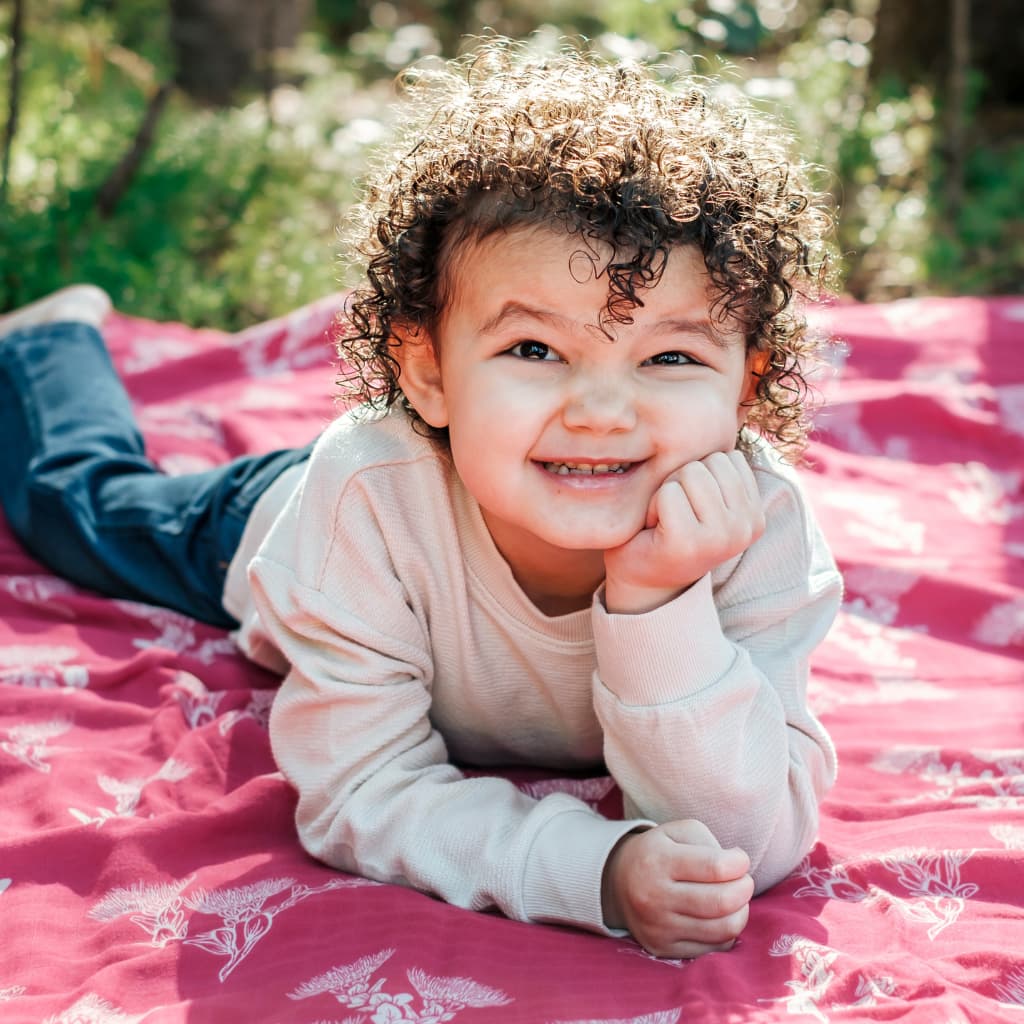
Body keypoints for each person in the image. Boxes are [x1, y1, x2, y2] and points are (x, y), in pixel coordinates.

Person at [0, 38, 842, 960]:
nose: (602, 413)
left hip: (447, 466)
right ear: (428, 371)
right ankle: (47, 347)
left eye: (670, 357)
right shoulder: (363, 501)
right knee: (76, 509)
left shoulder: (756, 524)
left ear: (746, 389)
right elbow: (359, 788)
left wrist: (660, 602)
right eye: (534, 350)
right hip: (286, 525)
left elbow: (741, 842)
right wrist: (589, 868)